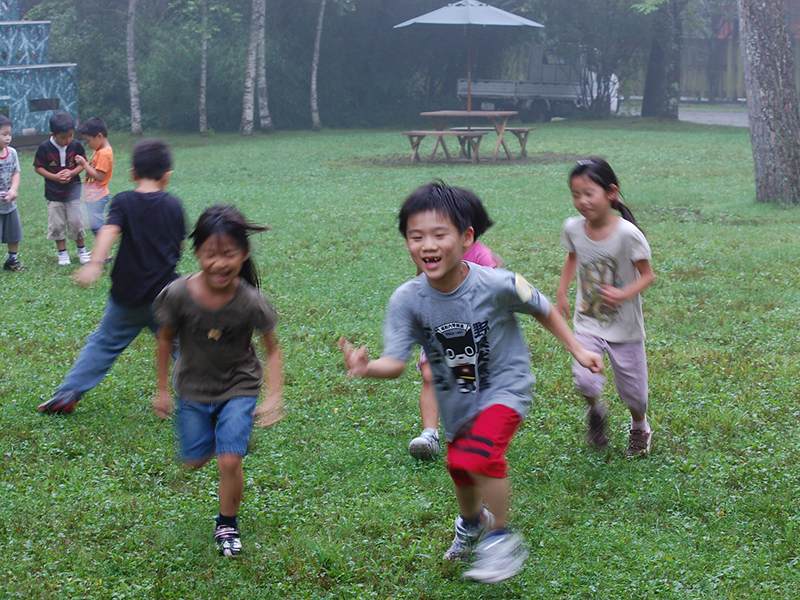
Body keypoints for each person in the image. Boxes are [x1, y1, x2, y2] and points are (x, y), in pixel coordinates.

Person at [339, 182, 603, 584]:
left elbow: (542, 308)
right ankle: (471, 523)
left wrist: (578, 349)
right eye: (416, 236)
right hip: (457, 399)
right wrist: (367, 366)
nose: (428, 245)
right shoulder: (407, 300)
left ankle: (500, 538)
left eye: (439, 234)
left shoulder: (497, 283)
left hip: (505, 387)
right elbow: (396, 363)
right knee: (460, 469)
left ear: (466, 238)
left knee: (479, 457)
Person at [152, 205, 284, 557]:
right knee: (194, 460)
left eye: (229, 254)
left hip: (239, 385)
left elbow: (272, 349)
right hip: (193, 388)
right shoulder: (178, 294)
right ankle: (226, 435)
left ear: (244, 253)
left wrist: (273, 396)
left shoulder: (250, 301)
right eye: (210, 254)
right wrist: (162, 390)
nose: (219, 263)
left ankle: (227, 524)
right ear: (196, 253)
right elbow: (165, 340)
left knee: (229, 460)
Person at [37, 138, 185, 415]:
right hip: (166, 296)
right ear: (167, 176)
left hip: (127, 296)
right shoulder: (174, 205)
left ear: (132, 174)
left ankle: (68, 392)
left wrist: (94, 264)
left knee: (103, 343)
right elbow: (179, 245)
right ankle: (204, 396)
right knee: (184, 347)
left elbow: (109, 230)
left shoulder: (124, 201)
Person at [556, 157, 655, 456]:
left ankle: (640, 426)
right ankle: (595, 412)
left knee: (634, 394)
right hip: (588, 321)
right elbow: (573, 256)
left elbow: (647, 275)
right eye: (576, 195)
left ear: (611, 192)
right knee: (585, 380)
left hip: (624, 327)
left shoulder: (628, 234)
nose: (582, 201)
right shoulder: (573, 228)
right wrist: (562, 291)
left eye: (589, 193)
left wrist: (622, 293)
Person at [408, 185, 503, 460]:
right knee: (430, 375)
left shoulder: (481, 255)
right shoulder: (432, 252)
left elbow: (490, 292)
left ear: (468, 230)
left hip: (470, 329)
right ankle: (429, 435)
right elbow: (420, 280)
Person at [33, 112, 90, 266]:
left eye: (71, 135)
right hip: (53, 194)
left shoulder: (76, 145)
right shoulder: (44, 148)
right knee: (57, 224)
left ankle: (82, 251)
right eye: (64, 137)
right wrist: (55, 177)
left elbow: (82, 164)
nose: (68, 140)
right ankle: (63, 254)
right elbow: (38, 167)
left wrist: (72, 173)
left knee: (77, 222)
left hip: (73, 193)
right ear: (53, 135)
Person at [76, 117, 114, 236]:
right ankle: (102, 246)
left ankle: (104, 247)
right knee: (95, 226)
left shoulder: (104, 154)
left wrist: (84, 164)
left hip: (97, 196)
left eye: (88, 141)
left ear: (99, 136)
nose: (88, 144)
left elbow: (99, 176)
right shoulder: (99, 150)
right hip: (93, 195)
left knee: (97, 227)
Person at [0, 115, 23, 271]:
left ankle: (12, 260)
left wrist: (13, 190)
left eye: (10, 134)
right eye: (4, 134)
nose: (8, 138)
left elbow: (16, 172)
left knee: (14, 233)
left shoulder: (12, 153)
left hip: (10, 204)